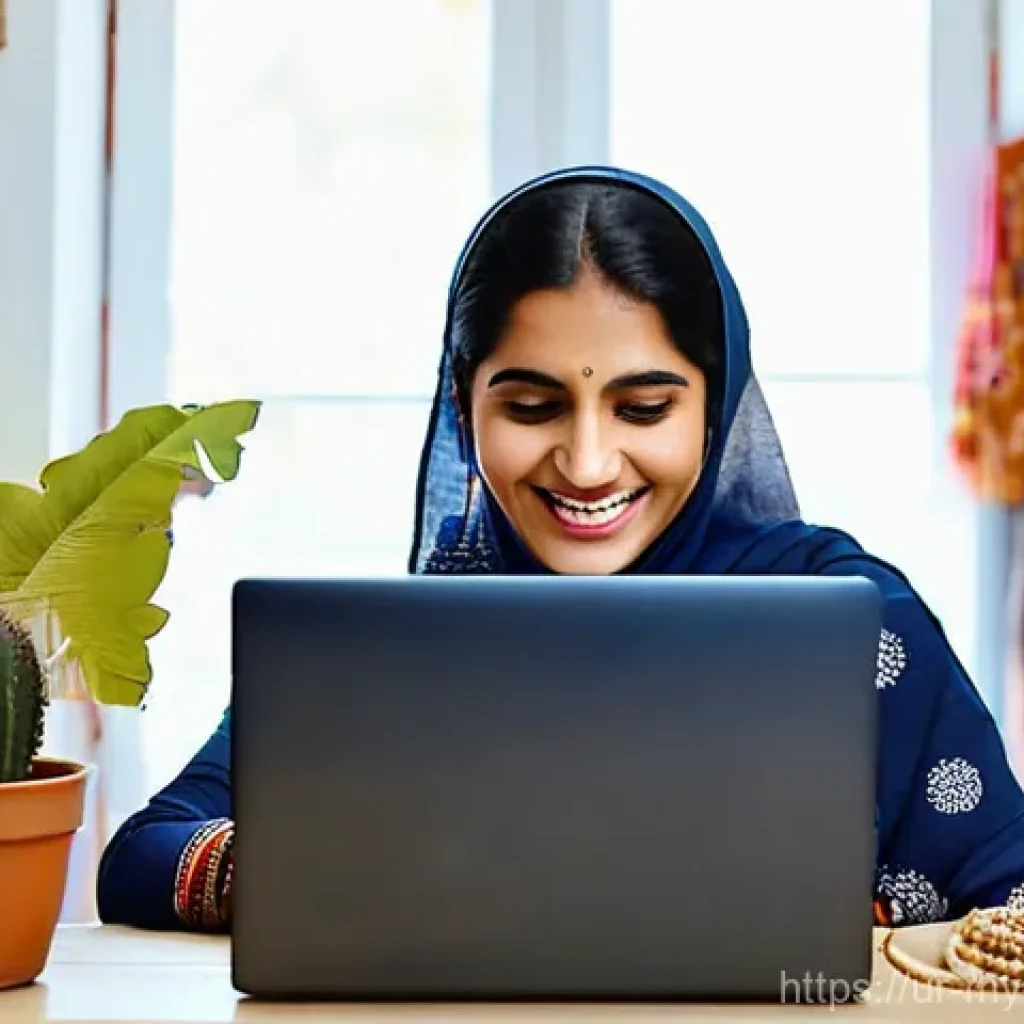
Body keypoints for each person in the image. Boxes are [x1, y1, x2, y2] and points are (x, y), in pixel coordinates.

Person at [97, 165, 1024, 933]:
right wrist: (303, 871)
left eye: (644, 408)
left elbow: (1010, 898)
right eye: (532, 406)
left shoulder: (852, 628)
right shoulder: (395, 654)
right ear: (467, 408)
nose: (586, 463)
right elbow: (144, 853)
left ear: (716, 406)